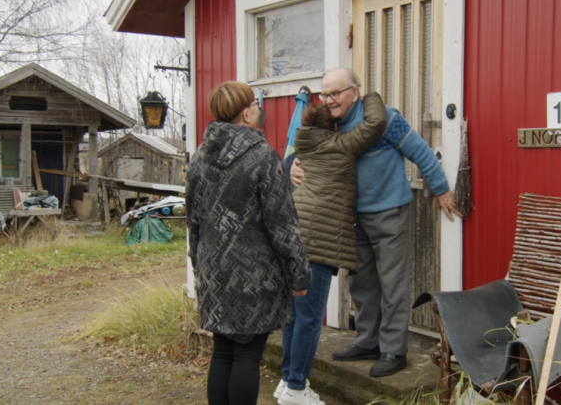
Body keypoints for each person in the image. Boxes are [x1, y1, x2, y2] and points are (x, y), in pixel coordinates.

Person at [291, 68, 462, 378]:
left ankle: (394, 350)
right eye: (324, 94)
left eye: (335, 93)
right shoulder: (329, 126)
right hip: (350, 217)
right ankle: (367, 340)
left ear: (354, 93)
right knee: (361, 283)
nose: (328, 101)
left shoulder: (385, 119)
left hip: (389, 213)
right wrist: (294, 169)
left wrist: (442, 190)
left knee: (393, 284)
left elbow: (420, 152)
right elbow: (307, 155)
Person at [186, 81, 312, 405]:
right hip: (254, 278)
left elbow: (193, 222)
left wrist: (199, 267)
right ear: (246, 112)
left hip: (214, 273)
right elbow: (282, 224)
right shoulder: (262, 156)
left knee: (224, 351)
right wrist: (299, 275)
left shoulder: (200, 157)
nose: (259, 108)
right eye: (256, 103)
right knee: (246, 356)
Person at [276, 95, 387, 405]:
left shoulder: (303, 149)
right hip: (318, 243)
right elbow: (376, 123)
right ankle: (297, 388)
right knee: (310, 319)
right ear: (332, 127)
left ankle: (287, 381)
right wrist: (366, 96)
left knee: (294, 317)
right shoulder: (339, 145)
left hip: (294, 236)